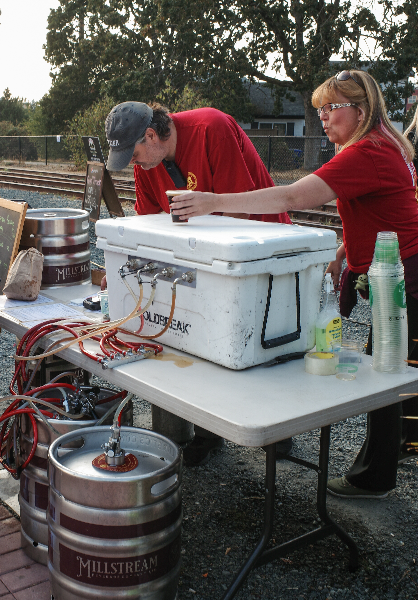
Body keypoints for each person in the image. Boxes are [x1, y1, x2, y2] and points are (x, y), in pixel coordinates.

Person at [169, 70, 418, 498]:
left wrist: (213, 202)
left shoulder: (367, 152)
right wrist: (345, 251)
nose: (323, 117)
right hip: (391, 269)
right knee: (388, 370)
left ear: (360, 110)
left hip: (403, 281)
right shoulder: (380, 143)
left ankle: (374, 478)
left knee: (388, 378)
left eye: (331, 108)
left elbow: (292, 197)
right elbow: (380, 209)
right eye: (319, 108)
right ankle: (381, 468)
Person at [105, 101, 293, 465]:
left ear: (151, 135)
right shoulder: (149, 163)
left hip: (260, 249)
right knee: (202, 342)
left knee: (266, 343)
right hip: (202, 258)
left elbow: (239, 212)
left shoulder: (211, 128)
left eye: (134, 152)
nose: (133, 162)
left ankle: (278, 431)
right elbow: (150, 228)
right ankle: (209, 430)